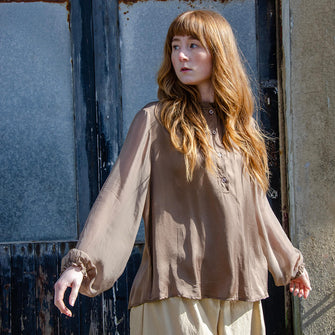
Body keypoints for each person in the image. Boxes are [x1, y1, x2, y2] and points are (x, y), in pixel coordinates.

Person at [54, 10, 311, 334]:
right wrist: (81, 264)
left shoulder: (241, 130)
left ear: (219, 52)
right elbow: (120, 193)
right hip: (175, 295)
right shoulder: (155, 122)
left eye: (193, 45)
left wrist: (291, 264)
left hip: (240, 296)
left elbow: (256, 209)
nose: (181, 56)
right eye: (175, 46)